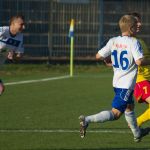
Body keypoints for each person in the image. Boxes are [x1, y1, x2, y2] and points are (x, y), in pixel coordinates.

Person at [79, 15, 149, 142]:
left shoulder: (113, 41)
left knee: (129, 107)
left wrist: (108, 59)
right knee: (116, 114)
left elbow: (98, 56)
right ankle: (87, 120)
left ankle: (137, 133)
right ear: (131, 28)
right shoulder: (134, 42)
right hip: (126, 85)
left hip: (116, 83)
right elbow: (139, 62)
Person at [129, 12, 150, 127]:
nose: (140, 24)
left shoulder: (139, 41)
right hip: (140, 81)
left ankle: (136, 125)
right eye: (136, 21)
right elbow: (139, 62)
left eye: (140, 21)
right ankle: (136, 123)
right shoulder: (130, 42)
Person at [0, 14, 25, 95]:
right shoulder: (3, 31)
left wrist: (13, 56)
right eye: (21, 24)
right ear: (13, 24)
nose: (24, 27)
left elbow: (19, 57)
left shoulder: (20, 37)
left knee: (1, 88)